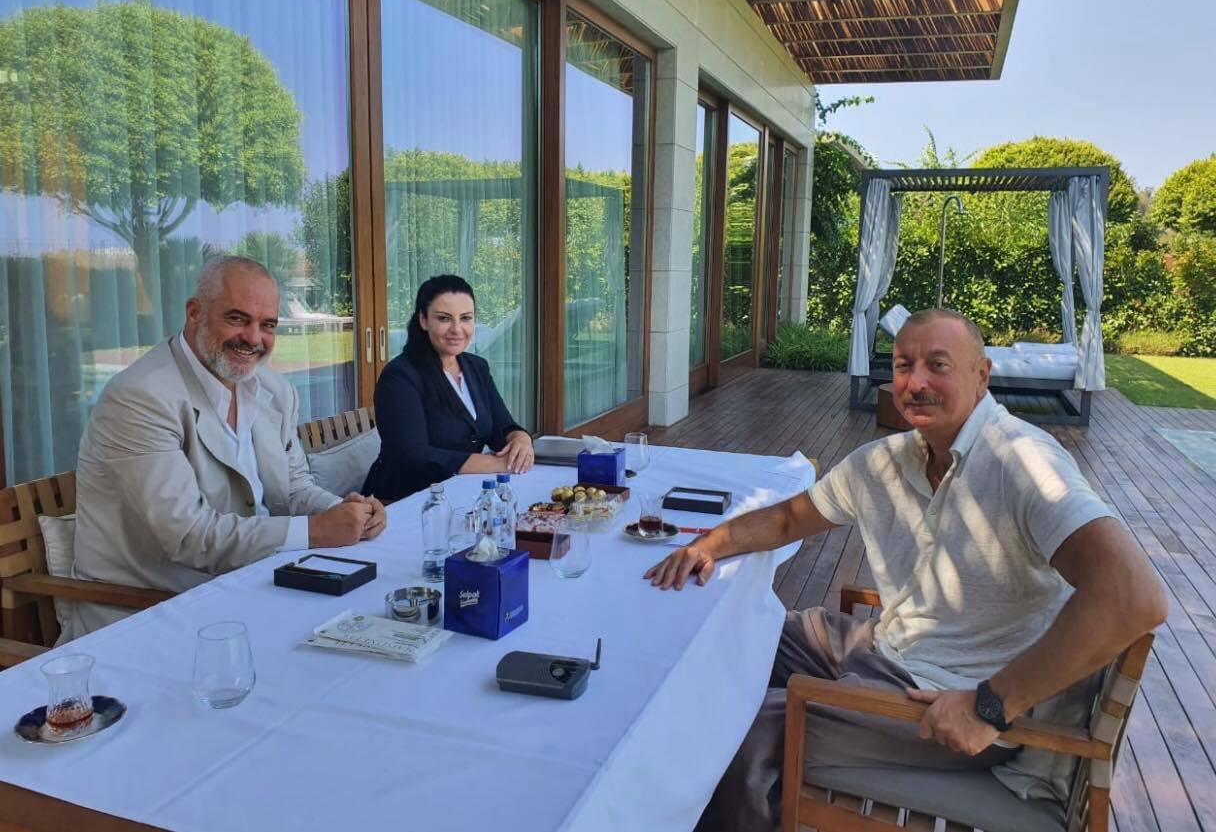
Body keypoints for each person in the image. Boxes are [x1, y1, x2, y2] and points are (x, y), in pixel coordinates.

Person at [645, 308, 1168, 831]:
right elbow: (786, 519)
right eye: (903, 366)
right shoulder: (886, 462)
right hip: (885, 646)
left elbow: (1133, 597)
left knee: (736, 729)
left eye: (938, 365)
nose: (916, 382)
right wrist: (707, 546)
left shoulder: (1024, 462)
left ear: (981, 375)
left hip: (950, 699)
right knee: (728, 629)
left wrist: (990, 706)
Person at [71, 257, 386, 639]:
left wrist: (347, 512)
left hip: (254, 586)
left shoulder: (274, 390)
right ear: (194, 314)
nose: (253, 339)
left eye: (267, 325)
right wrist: (317, 531)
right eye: (237, 319)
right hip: (151, 615)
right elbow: (189, 536)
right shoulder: (141, 398)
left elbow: (294, 488)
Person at [362, 275, 533, 505]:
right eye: (444, 318)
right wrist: (496, 464)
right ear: (423, 320)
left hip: (461, 491)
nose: (457, 329)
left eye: (466, 318)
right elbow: (412, 455)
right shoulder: (400, 376)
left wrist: (521, 439)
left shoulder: (476, 367)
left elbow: (501, 427)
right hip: (403, 500)